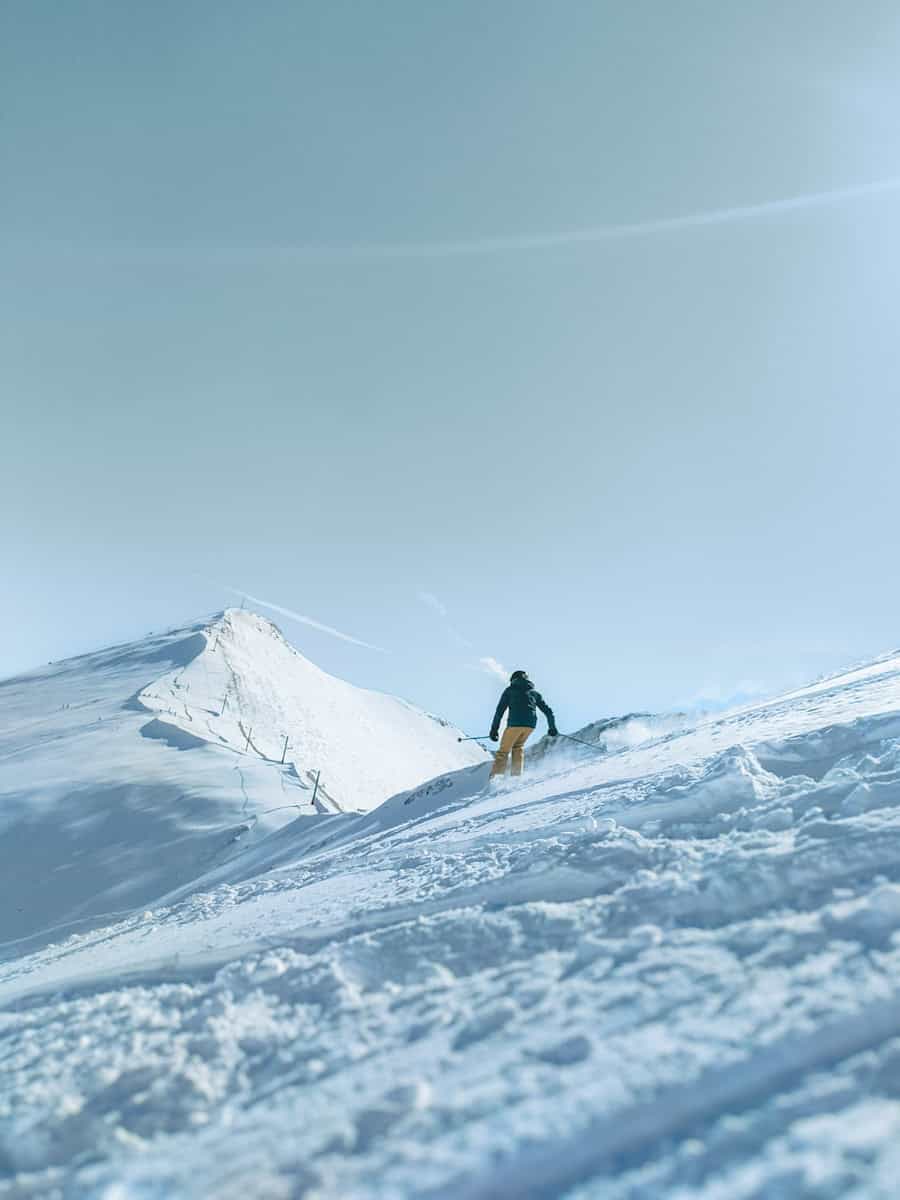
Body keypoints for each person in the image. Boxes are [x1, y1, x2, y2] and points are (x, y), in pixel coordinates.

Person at [489, 670, 558, 778]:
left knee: (503, 752)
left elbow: (499, 711)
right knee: (518, 747)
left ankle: (495, 780)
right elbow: (548, 711)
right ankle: (516, 778)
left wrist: (494, 730)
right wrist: (552, 728)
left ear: (513, 680)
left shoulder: (510, 690)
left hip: (515, 724)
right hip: (530, 726)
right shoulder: (534, 693)